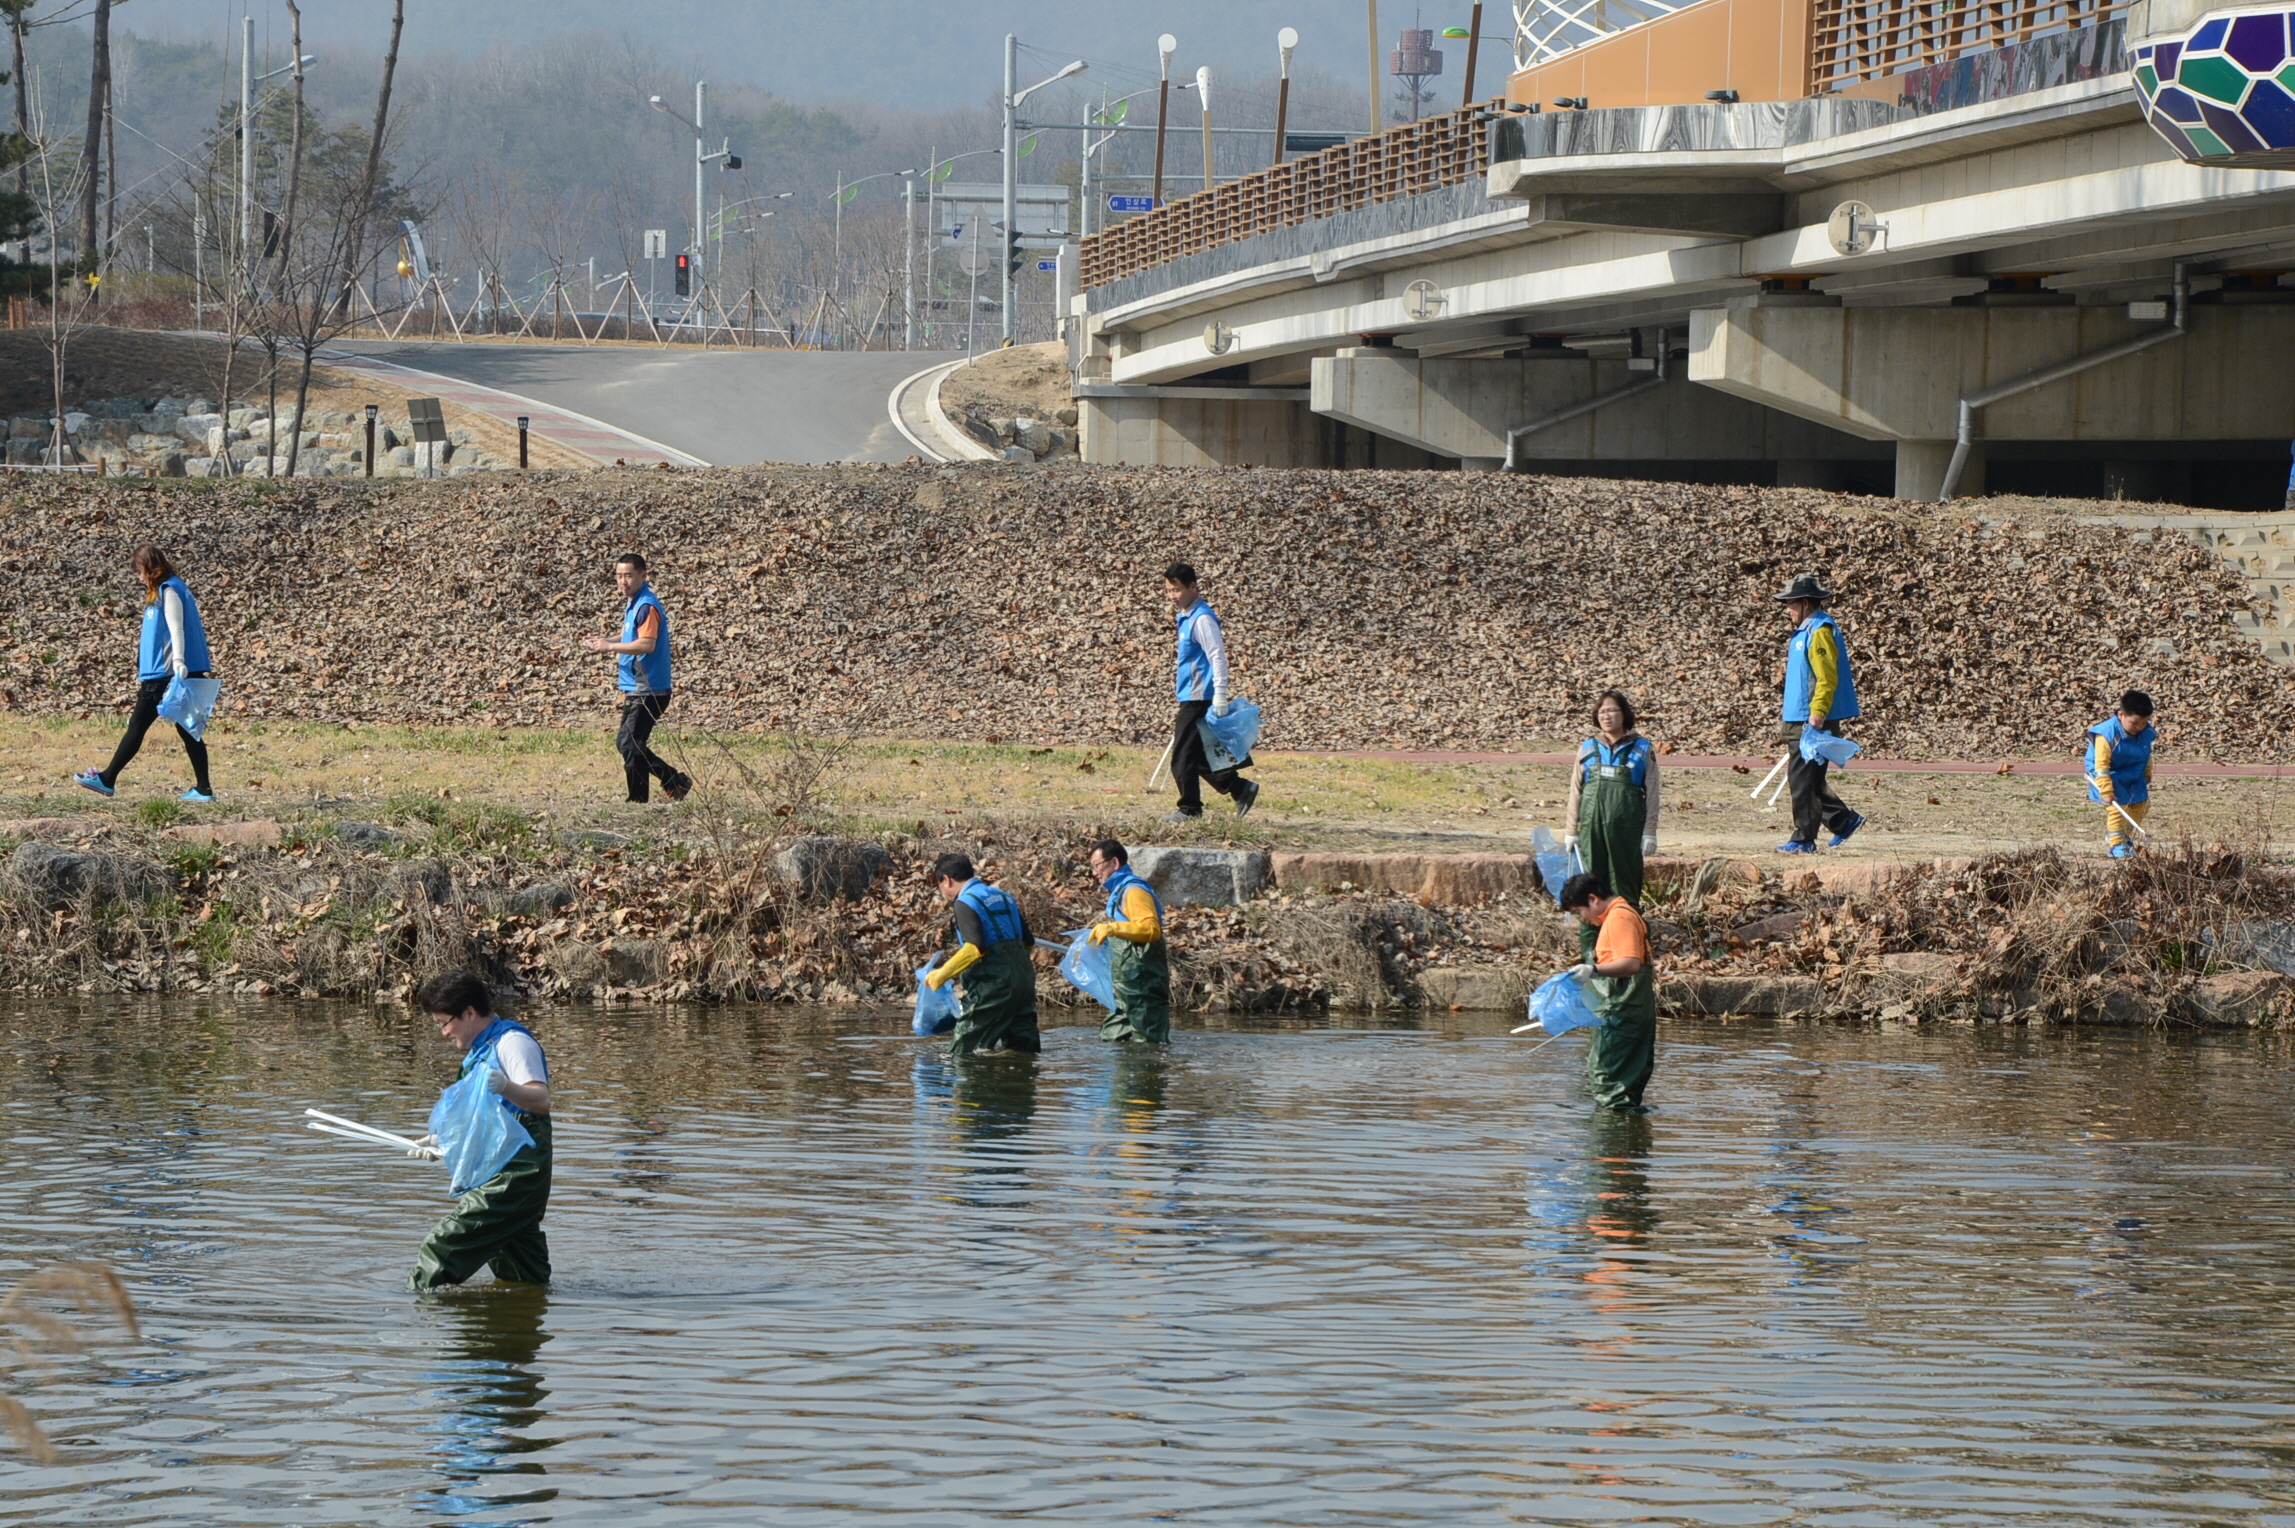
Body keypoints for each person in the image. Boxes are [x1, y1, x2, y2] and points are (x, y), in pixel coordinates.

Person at [407, 972, 553, 1292]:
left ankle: (415, 1313)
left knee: (442, 1246)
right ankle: (524, 1327)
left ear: (469, 1013)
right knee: (521, 1270)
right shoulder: (476, 1055)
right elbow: (482, 1122)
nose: (444, 1032)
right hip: (498, 1167)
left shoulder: (513, 1043)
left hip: (519, 1171)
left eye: (445, 1022)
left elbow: (540, 1101)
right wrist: (443, 1143)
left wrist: (507, 1086)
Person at [75, 545, 217, 804]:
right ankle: (204, 789)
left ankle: (107, 780)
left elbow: (176, 627)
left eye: (139, 571)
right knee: (187, 729)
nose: (139, 577)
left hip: (167, 674)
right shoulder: (164, 590)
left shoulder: (170, 589)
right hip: (168, 672)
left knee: (138, 726)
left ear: (149, 567)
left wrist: (178, 661)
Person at [581, 552, 691, 805]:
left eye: (629, 575)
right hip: (637, 687)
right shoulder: (634, 603)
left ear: (643, 575)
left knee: (629, 743)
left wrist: (609, 649)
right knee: (629, 743)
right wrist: (604, 641)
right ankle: (644, 795)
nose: (623, 581)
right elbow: (628, 635)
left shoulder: (646, 606)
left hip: (649, 689)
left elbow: (647, 644)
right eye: (619, 576)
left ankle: (671, 782)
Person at [1774, 574, 1864, 855]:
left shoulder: (1819, 630)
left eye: (1790, 603)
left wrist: (1818, 712)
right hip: (1798, 716)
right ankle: (1843, 821)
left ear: (1804, 603)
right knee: (1807, 779)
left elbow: (1826, 676)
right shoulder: (1806, 630)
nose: (1787, 609)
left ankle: (1803, 838)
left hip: (1809, 718)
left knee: (1803, 780)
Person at [1163, 562, 1259, 823]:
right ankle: (1240, 788)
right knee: (1198, 755)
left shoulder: (1202, 619)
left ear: (1193, 587)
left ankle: (1189, 809)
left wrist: (1220, 695)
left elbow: (1218, 657)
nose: (1173, 596)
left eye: (1177, 590)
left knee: (1181, 758)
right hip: (1192, 695)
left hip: (1200, 697)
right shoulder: (1185, 617)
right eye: (1169, 591)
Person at [1556, 872, 1657, 1112]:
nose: (1583, 919)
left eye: (1579, 912)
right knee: (1624, 1083)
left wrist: (1593, 969)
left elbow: (1631, 964)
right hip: (1626, 1013)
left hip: (1622, 1015)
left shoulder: (1619, 918)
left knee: (1612, 1085)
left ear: (1593, 899)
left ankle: (1611, 1145)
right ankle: (1628, 1142)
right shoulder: (1621, 914)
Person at [922, 853, 1041, 1056]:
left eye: (940, 884)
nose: (942, 891)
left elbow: (974, 948)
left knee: (964, 1050)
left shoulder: (964, 902)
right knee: (1023, 1050)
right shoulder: (1005, 897)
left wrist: (941, 974)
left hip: (995, 983)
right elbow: (1028, 942)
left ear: (947, 880)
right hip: (1024, 979)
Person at [1563, 688, 1660, 918]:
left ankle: (1629, 939)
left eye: (1611, 711)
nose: (1605, 716)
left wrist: (1649, 832)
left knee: (1624, 885)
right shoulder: (1588, 747)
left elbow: (1653, 792)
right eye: (1601, 712)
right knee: (1591, 888)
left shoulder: (1643, 748)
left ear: (1624, 714)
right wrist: (1571, 830)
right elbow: (1575, 790)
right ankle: (1593, 948)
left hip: (1626, 832)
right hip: (1591, 829)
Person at [1088, 838, 1171, 1044]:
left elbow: (1151, 930)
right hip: (1125, 986)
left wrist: (1112, 928)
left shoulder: (1134, 891)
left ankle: (1148, 1074)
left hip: (1143, 984)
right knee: (1111, 1038)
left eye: (1097, 866)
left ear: (1114, 863)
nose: (1094, 872)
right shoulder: (1118, 892)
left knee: (1149, 1043)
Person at [2087, 690, 2157, 859]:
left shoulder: (2144, 732)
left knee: (2141, 804)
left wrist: (2147, 772)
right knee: (2118, 809)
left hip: (2133, 771)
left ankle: (2121, 835)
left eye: (2144, 723)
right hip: (2109, 775)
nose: (2139, 727)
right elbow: (2101, 766)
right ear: (2121, 715)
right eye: (2135, 723)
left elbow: (2146, 753)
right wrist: (2106, 791)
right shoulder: (2106, 735)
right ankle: (2116, 844)